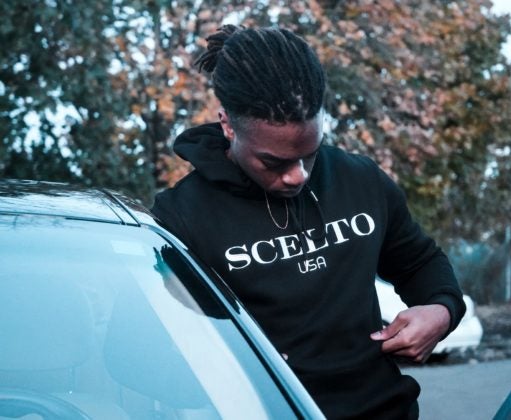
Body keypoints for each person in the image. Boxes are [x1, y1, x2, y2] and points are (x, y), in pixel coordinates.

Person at [151, 24, 466, 419]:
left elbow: (419, 262)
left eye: (310, 153)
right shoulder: (180, 218)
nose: (298, 175)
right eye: (273, 163)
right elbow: (144, 357)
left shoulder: (360, 180)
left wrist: (441, 311)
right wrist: (235, 369)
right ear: (228, 125)